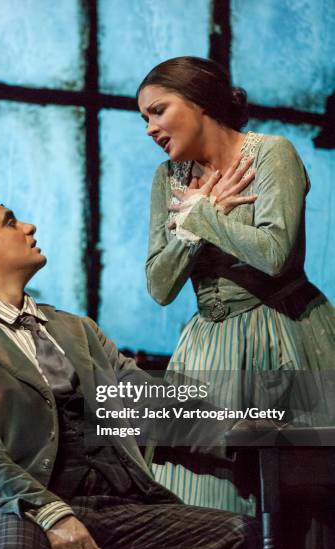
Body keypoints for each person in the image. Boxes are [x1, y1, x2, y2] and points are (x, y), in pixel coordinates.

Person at [0, 192, 261, 549]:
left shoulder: (76, 330)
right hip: (18, 509)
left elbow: (148, 403)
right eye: (11, 222)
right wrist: (51, 513)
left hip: (115, 508)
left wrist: (250, 425)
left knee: (236, 535)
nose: (29, 227)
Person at [137, 56, 335, 514]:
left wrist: (201, 214)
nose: (150, 128)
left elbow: (274, 254)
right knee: (204, 498)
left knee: (290, 502)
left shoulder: (272, 152)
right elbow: (159, 286)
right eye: (144, 118)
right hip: (209, 349)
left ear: (201, 103)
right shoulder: (168, 178)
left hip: (283, 336)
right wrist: (190, 229)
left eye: (158, 110)